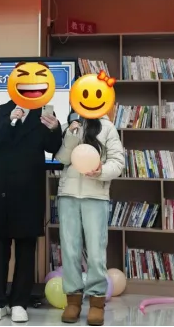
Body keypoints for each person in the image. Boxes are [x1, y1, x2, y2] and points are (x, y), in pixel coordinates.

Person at [0, 100, 62, 322]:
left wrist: (55, 128)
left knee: (26, 249)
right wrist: (10, 119)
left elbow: (53, 147)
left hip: (30, 190)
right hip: (3, 190)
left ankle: (19, 302)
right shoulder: (0, 111)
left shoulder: (42, 112)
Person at [55, 112, 124, 326]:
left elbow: (118, 163)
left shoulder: (108, 127)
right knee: (70, 250)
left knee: (96, 252)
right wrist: (70, 134)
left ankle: (96, 302)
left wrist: (101, 171)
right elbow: (62, 159)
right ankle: (73, 301)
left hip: (96, 195)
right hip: (68, 195)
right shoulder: (70, 125)